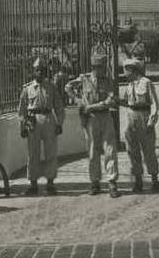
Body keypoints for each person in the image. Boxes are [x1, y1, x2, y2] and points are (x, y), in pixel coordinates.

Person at [66, 52, 120, 197]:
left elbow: (110, 101)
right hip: (90, 119)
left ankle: (112, 182)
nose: (101, 69)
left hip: (105, 116)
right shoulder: (84, 79)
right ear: (94, 67)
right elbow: (67, 87)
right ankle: (94, 182)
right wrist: (78, 101)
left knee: (110, 149)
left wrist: (90, 107)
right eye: (99, 67)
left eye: (102, 66)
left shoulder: (108, 81)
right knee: (92, 151)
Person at [18, 56, 66, 196]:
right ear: (33, 72)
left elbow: (59, 107)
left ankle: (50, 183)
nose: (40, 72)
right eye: (37, 70)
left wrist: (59, 123)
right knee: (33, 153)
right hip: (33, 121)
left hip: (48, 119)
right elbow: (21, 110)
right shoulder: (27, 89)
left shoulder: (51, 87)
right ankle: (33, 183)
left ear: (45, 71)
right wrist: (23, 125)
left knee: (51, 152)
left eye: (42, 70)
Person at [119, 58, 159, 193]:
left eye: (126, 70)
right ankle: (138, 181)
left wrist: (151, 121)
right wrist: (116, 100)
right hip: (131, 117)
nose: (124, 73)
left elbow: (154, 103)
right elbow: (127, 102)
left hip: (144, 116)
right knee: (132, 150)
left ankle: (155, 180)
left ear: (132, 70)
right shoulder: (129, 85)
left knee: (149, 150)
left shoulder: (146, 82)